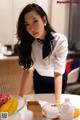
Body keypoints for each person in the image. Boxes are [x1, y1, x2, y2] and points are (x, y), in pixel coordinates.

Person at [17, 3, 68, 104]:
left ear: (44, 20)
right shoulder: (29, 44)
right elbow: (27, 71)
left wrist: (57, 103)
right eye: (27, 24)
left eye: (35, 21)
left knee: (55, 109)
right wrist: (19, 97)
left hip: (58, 78)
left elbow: (58, 73)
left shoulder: (60, 40)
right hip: (39, 78)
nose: (32, 28)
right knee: (40, 107)